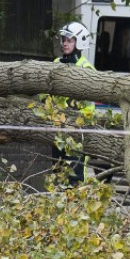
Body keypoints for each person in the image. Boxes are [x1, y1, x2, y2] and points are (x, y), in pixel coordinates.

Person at [52, 22, 94, 184]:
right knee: (57, 177)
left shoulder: (86, 69)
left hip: (76, 133)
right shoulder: (56, 63)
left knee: (74, 179)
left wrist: (76, 124)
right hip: (56, 132)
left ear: (80, 42)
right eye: (64, 39)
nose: (65, 43)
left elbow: (90, 108)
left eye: (70, 40)